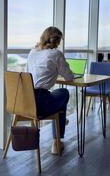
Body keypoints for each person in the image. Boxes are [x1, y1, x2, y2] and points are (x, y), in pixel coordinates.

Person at [26, 26, 74, 154]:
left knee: (56, 95)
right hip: (40, 103)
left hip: (26, 102)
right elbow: (69, 77)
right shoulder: (56, 54)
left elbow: (28, 74)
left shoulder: (32, 52)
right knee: (64, 93)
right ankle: (56, 142)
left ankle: (60, 121)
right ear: (57, 41)